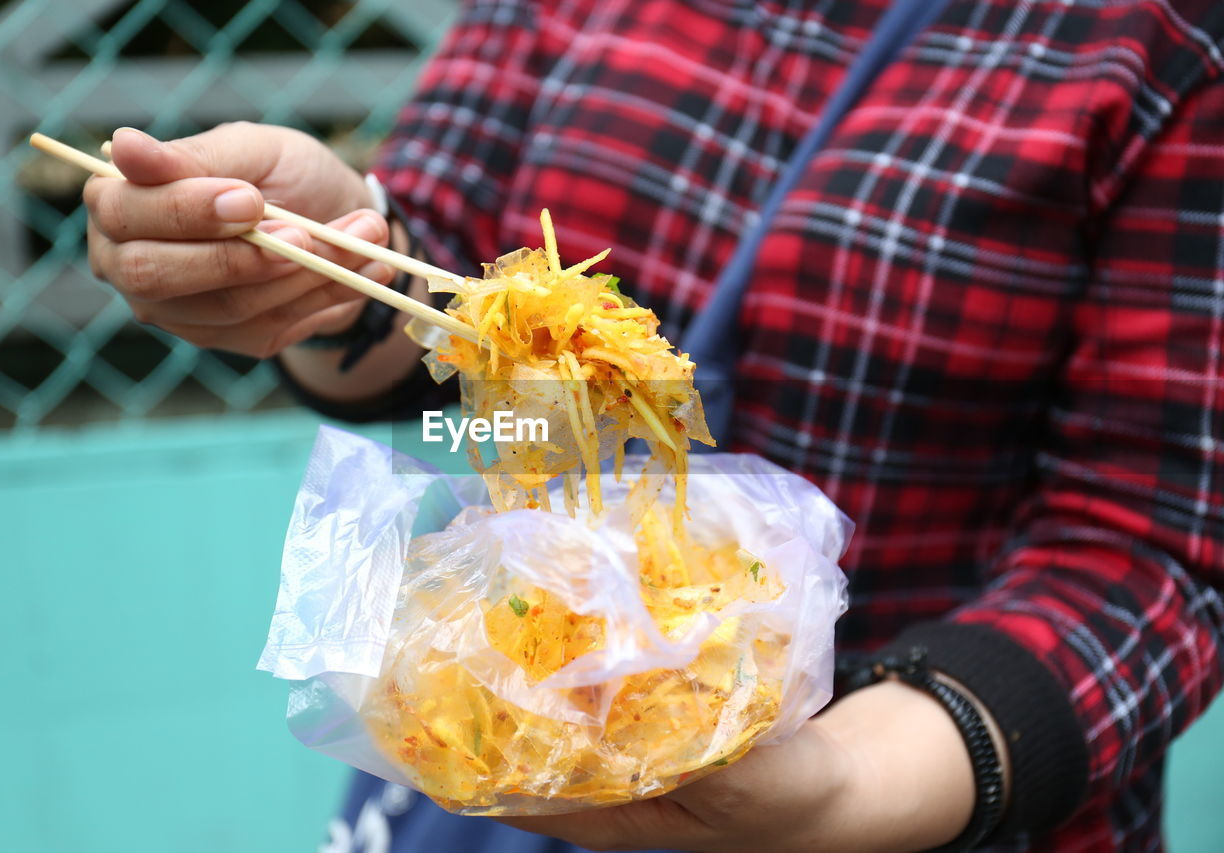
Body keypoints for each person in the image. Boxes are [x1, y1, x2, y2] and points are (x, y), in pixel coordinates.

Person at [82, 0, 1224, 850]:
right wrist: (320, 271)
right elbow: (425, 285)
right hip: (534, 720)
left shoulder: (1158, 36)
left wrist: (837, 787)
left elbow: (1152, 548)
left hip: (931, 793)